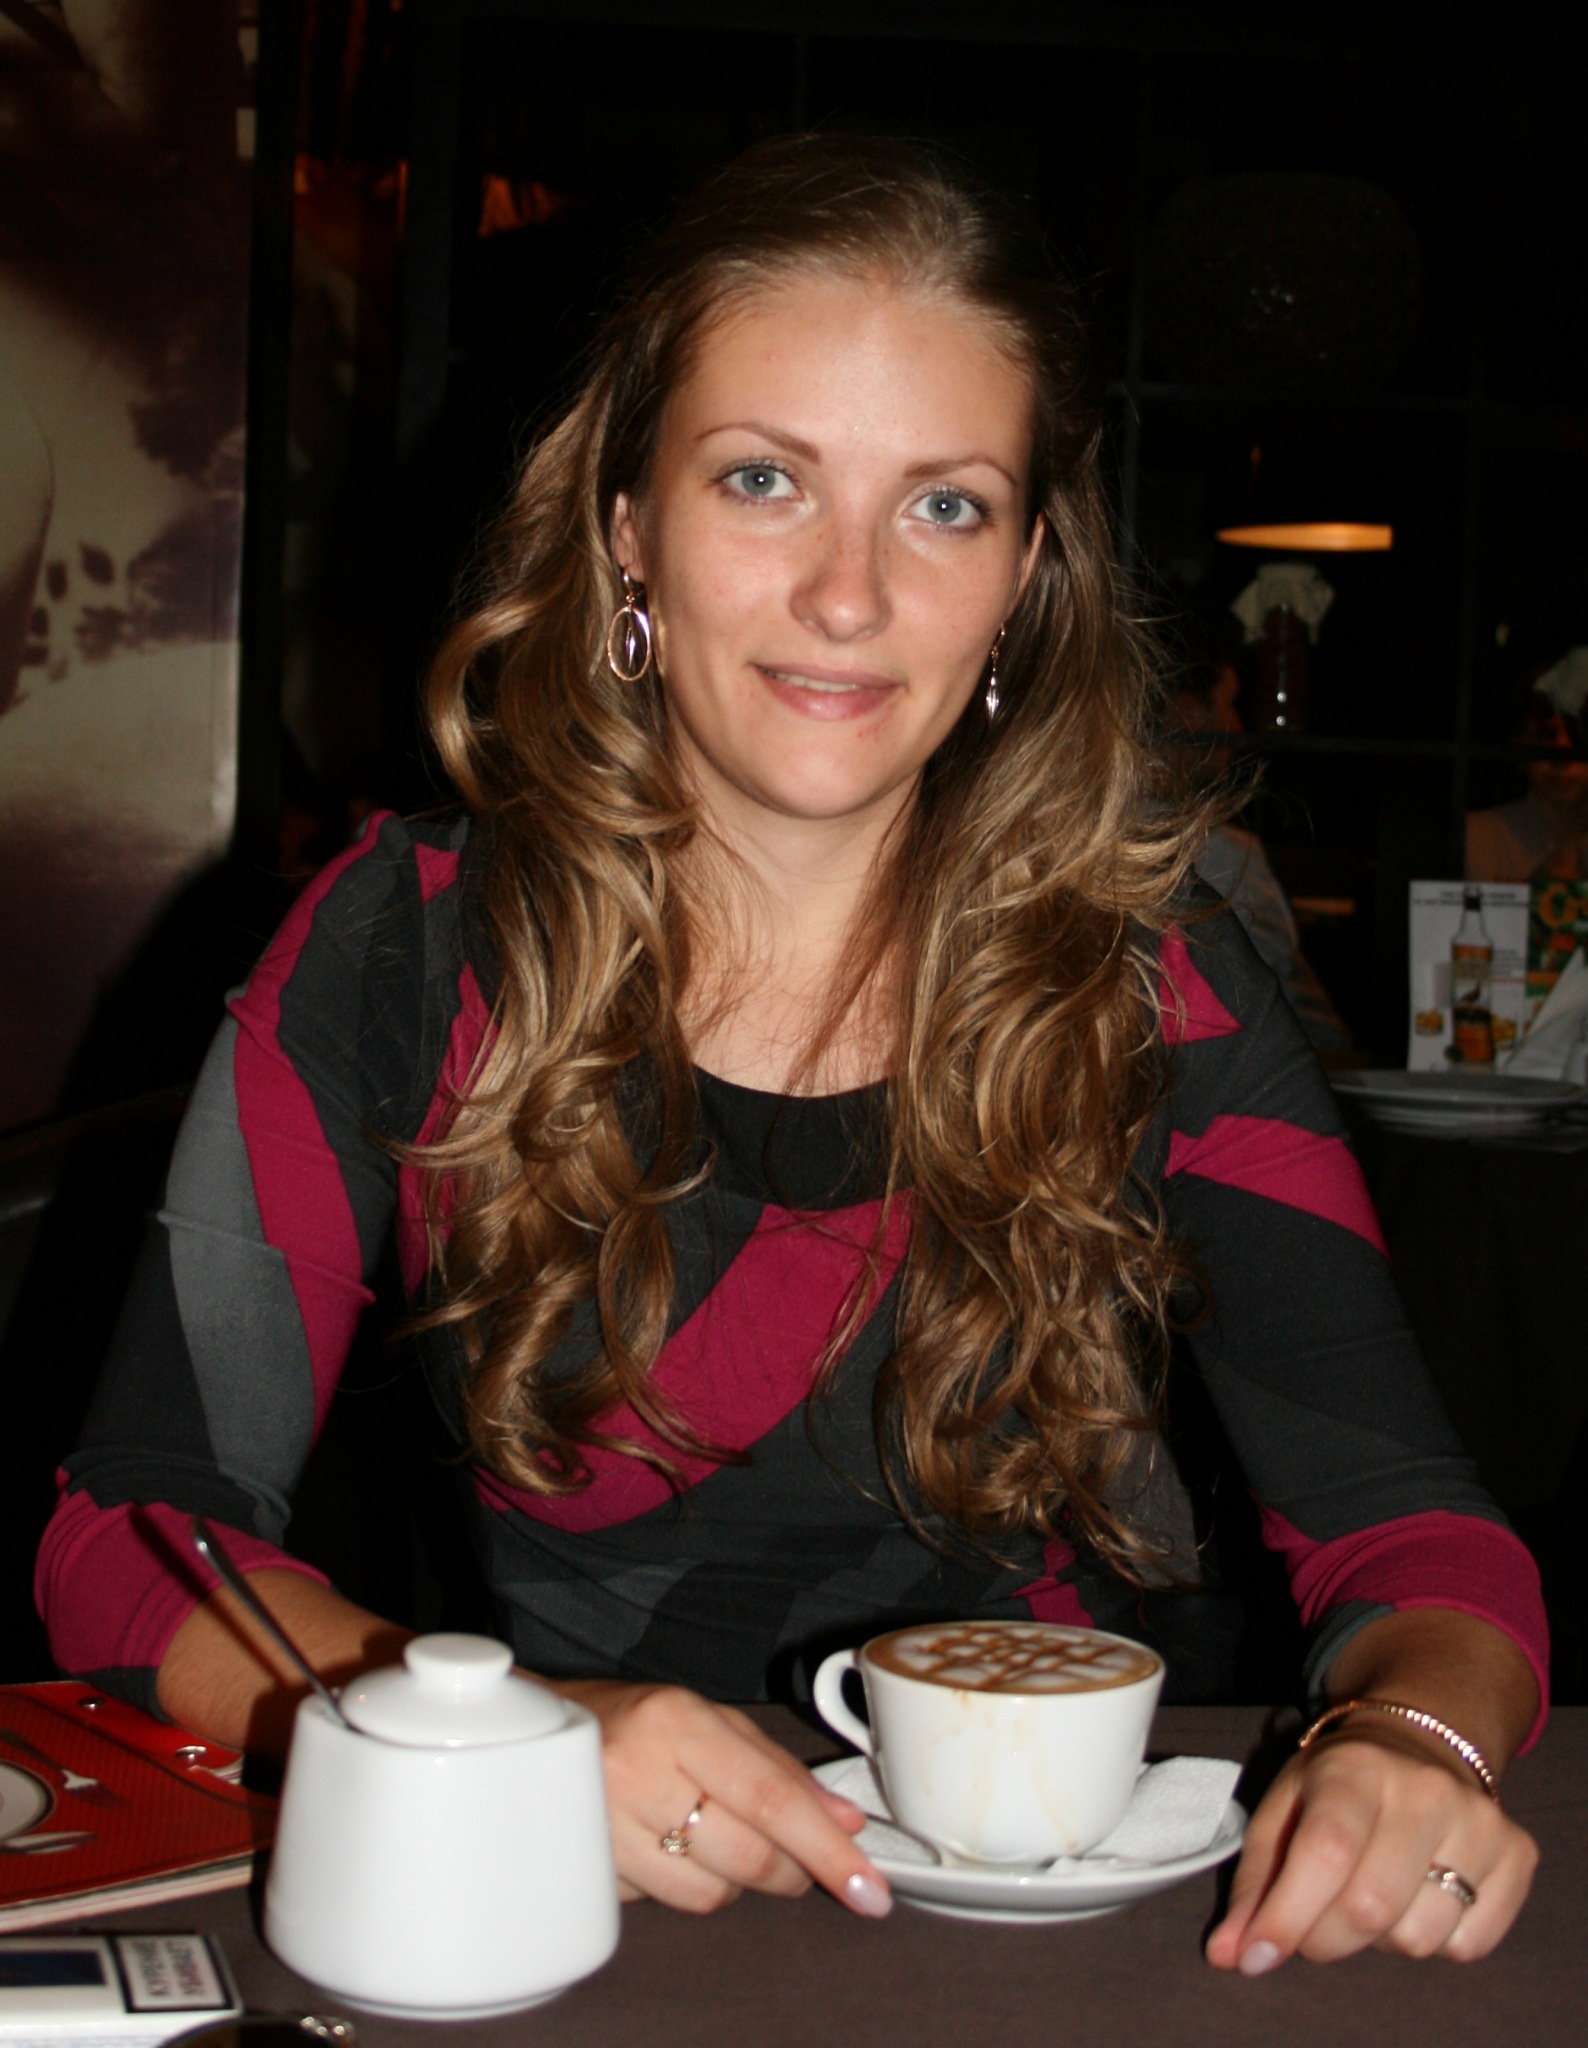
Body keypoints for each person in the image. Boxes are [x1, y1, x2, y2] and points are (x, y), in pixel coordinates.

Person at [38, 136, 1544, 1971]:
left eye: (943, 507)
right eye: (763, 479)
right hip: (562, 1920)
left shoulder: (1156, 979)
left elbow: (1419, 1545)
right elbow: (131, 1529)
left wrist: (1411, 1743)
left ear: (1026, 575)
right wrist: (484, 1742)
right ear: (626, 526)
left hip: (1058, 1954)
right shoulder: (402, 945)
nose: (847, 593)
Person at [1169, 654, 1351, 1054]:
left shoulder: (1080, 838)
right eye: (1229, 703)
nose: (1237, 727)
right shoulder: (1219, 853)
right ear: (1189, 713)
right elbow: (1277, 1001)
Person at [1466, 653, 1588, 884]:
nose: (1562, 756)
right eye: (1545, 735)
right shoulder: (1476, 841)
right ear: (1519, 744)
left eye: (1578, 735)